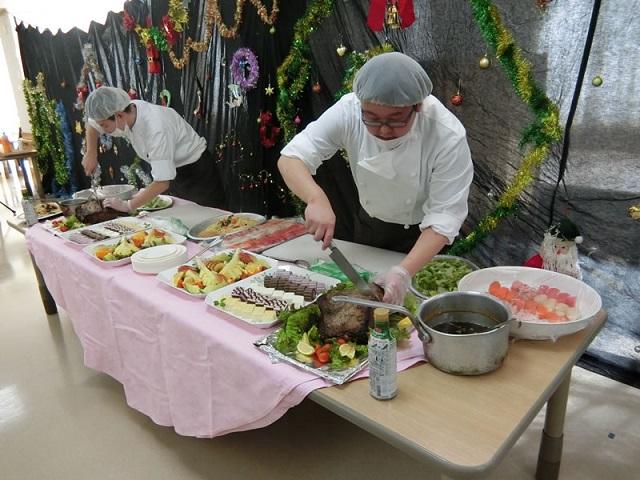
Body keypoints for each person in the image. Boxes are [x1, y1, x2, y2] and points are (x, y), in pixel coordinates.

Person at [277, 52, 474, 304]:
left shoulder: (446, 134)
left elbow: (445, 216)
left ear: (418, 106)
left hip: (422, 237)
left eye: (395, 120)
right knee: (367, 301)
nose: (382, 129)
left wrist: (404, 272)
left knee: (410, 307)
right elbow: (292, 158)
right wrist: (315, 198)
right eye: (371, 118)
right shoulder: (348, 110)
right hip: (370, 226)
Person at [82, 86, 225, 210]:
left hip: (196, 173)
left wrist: (128, 206)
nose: (103, 131)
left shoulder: (156, 128)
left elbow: (162, 182)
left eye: (104, 125)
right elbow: (91, 125)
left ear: (119, 115)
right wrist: (91, 153)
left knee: (210, 222)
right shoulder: (124, 112)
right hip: (173, 172)